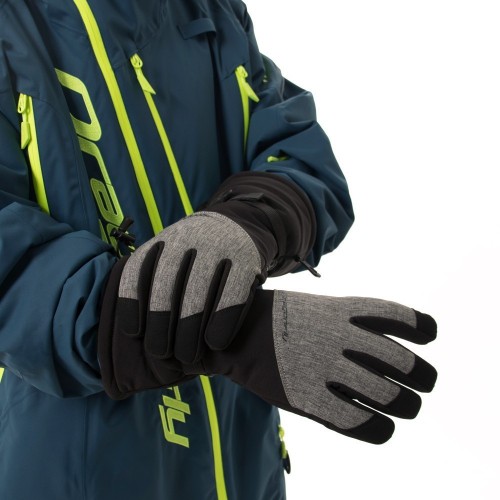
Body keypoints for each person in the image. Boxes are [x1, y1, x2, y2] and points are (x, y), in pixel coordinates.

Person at [0, 1, 437, 499]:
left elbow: (298, 152)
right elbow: (15, 280)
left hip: (242, 457)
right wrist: (237, 333)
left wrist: (248, 223)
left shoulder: (210, 9)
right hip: (77, 472)